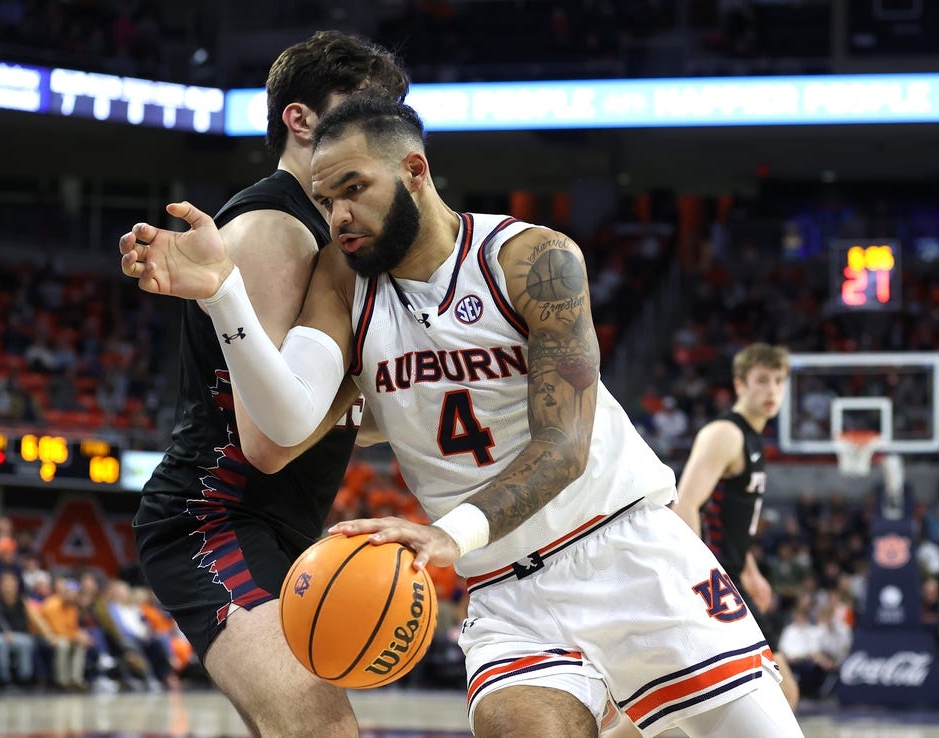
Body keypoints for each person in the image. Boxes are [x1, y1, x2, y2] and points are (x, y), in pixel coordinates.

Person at [120, 97, 803, 738]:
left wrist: (448, 536)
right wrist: (224, 296)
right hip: (508, 595)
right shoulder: (342, 278)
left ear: (414, 170)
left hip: (626, 551)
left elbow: (564, 445)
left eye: (354, 188)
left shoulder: (532, 257)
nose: (339, 218)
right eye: (326, 201)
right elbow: (289, 423)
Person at [128, 32, 408, 737]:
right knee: (324, 729)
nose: (377, 133)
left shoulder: (331, 230)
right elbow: (268, 440)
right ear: (300, 119)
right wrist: (358, 393)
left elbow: (325, 412)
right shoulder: (276, 228)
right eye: (360, 112)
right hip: (212, 516)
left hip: (280, 526)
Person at [671, 342, 800, 709]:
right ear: (740, 384)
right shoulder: (726, 434)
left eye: (779, 380)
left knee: (675, 708)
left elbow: (729, 520)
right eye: (762, 380)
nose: (772, 390)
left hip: (730, 576)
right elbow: (686, 505)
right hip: (712, 584)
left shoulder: (753, 438)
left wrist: (750, 570)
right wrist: (702, 582)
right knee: (781, 692)